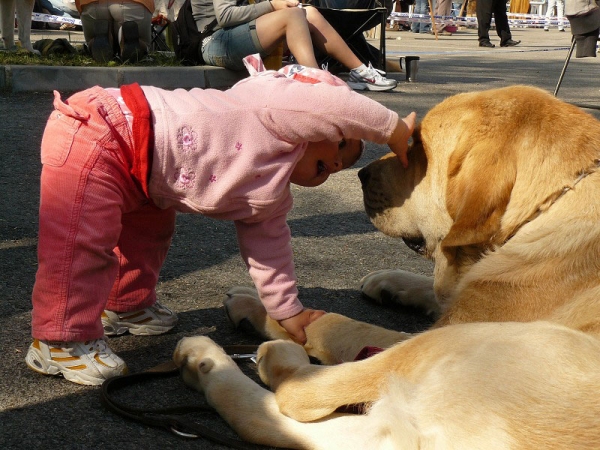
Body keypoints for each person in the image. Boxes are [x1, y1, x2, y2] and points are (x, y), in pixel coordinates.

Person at [24, 57, 416, 386]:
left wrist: (288, 311)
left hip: (146, 179)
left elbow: (270, 251)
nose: (335, 163)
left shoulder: (271, 192)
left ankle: (125, 305)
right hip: (102, 131)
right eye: (343, 144)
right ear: (315, 122)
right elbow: (331, 106)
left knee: (148, 237)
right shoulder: (276, 110)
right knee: (81, 244)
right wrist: (392, 129)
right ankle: (59, 339)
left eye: (341, 168)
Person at [192, 0, 397, 91]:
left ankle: (360, 70)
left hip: (237, 36)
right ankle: (317, 81)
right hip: (214, 41)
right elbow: (225, 15)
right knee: (293, 15)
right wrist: (272, 5)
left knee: (310, 13)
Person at [75, 0, 154, 62]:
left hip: (91, 4)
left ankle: (99, 40)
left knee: (92, 39)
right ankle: (128, 39)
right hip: (132, 4)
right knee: (143, 41)